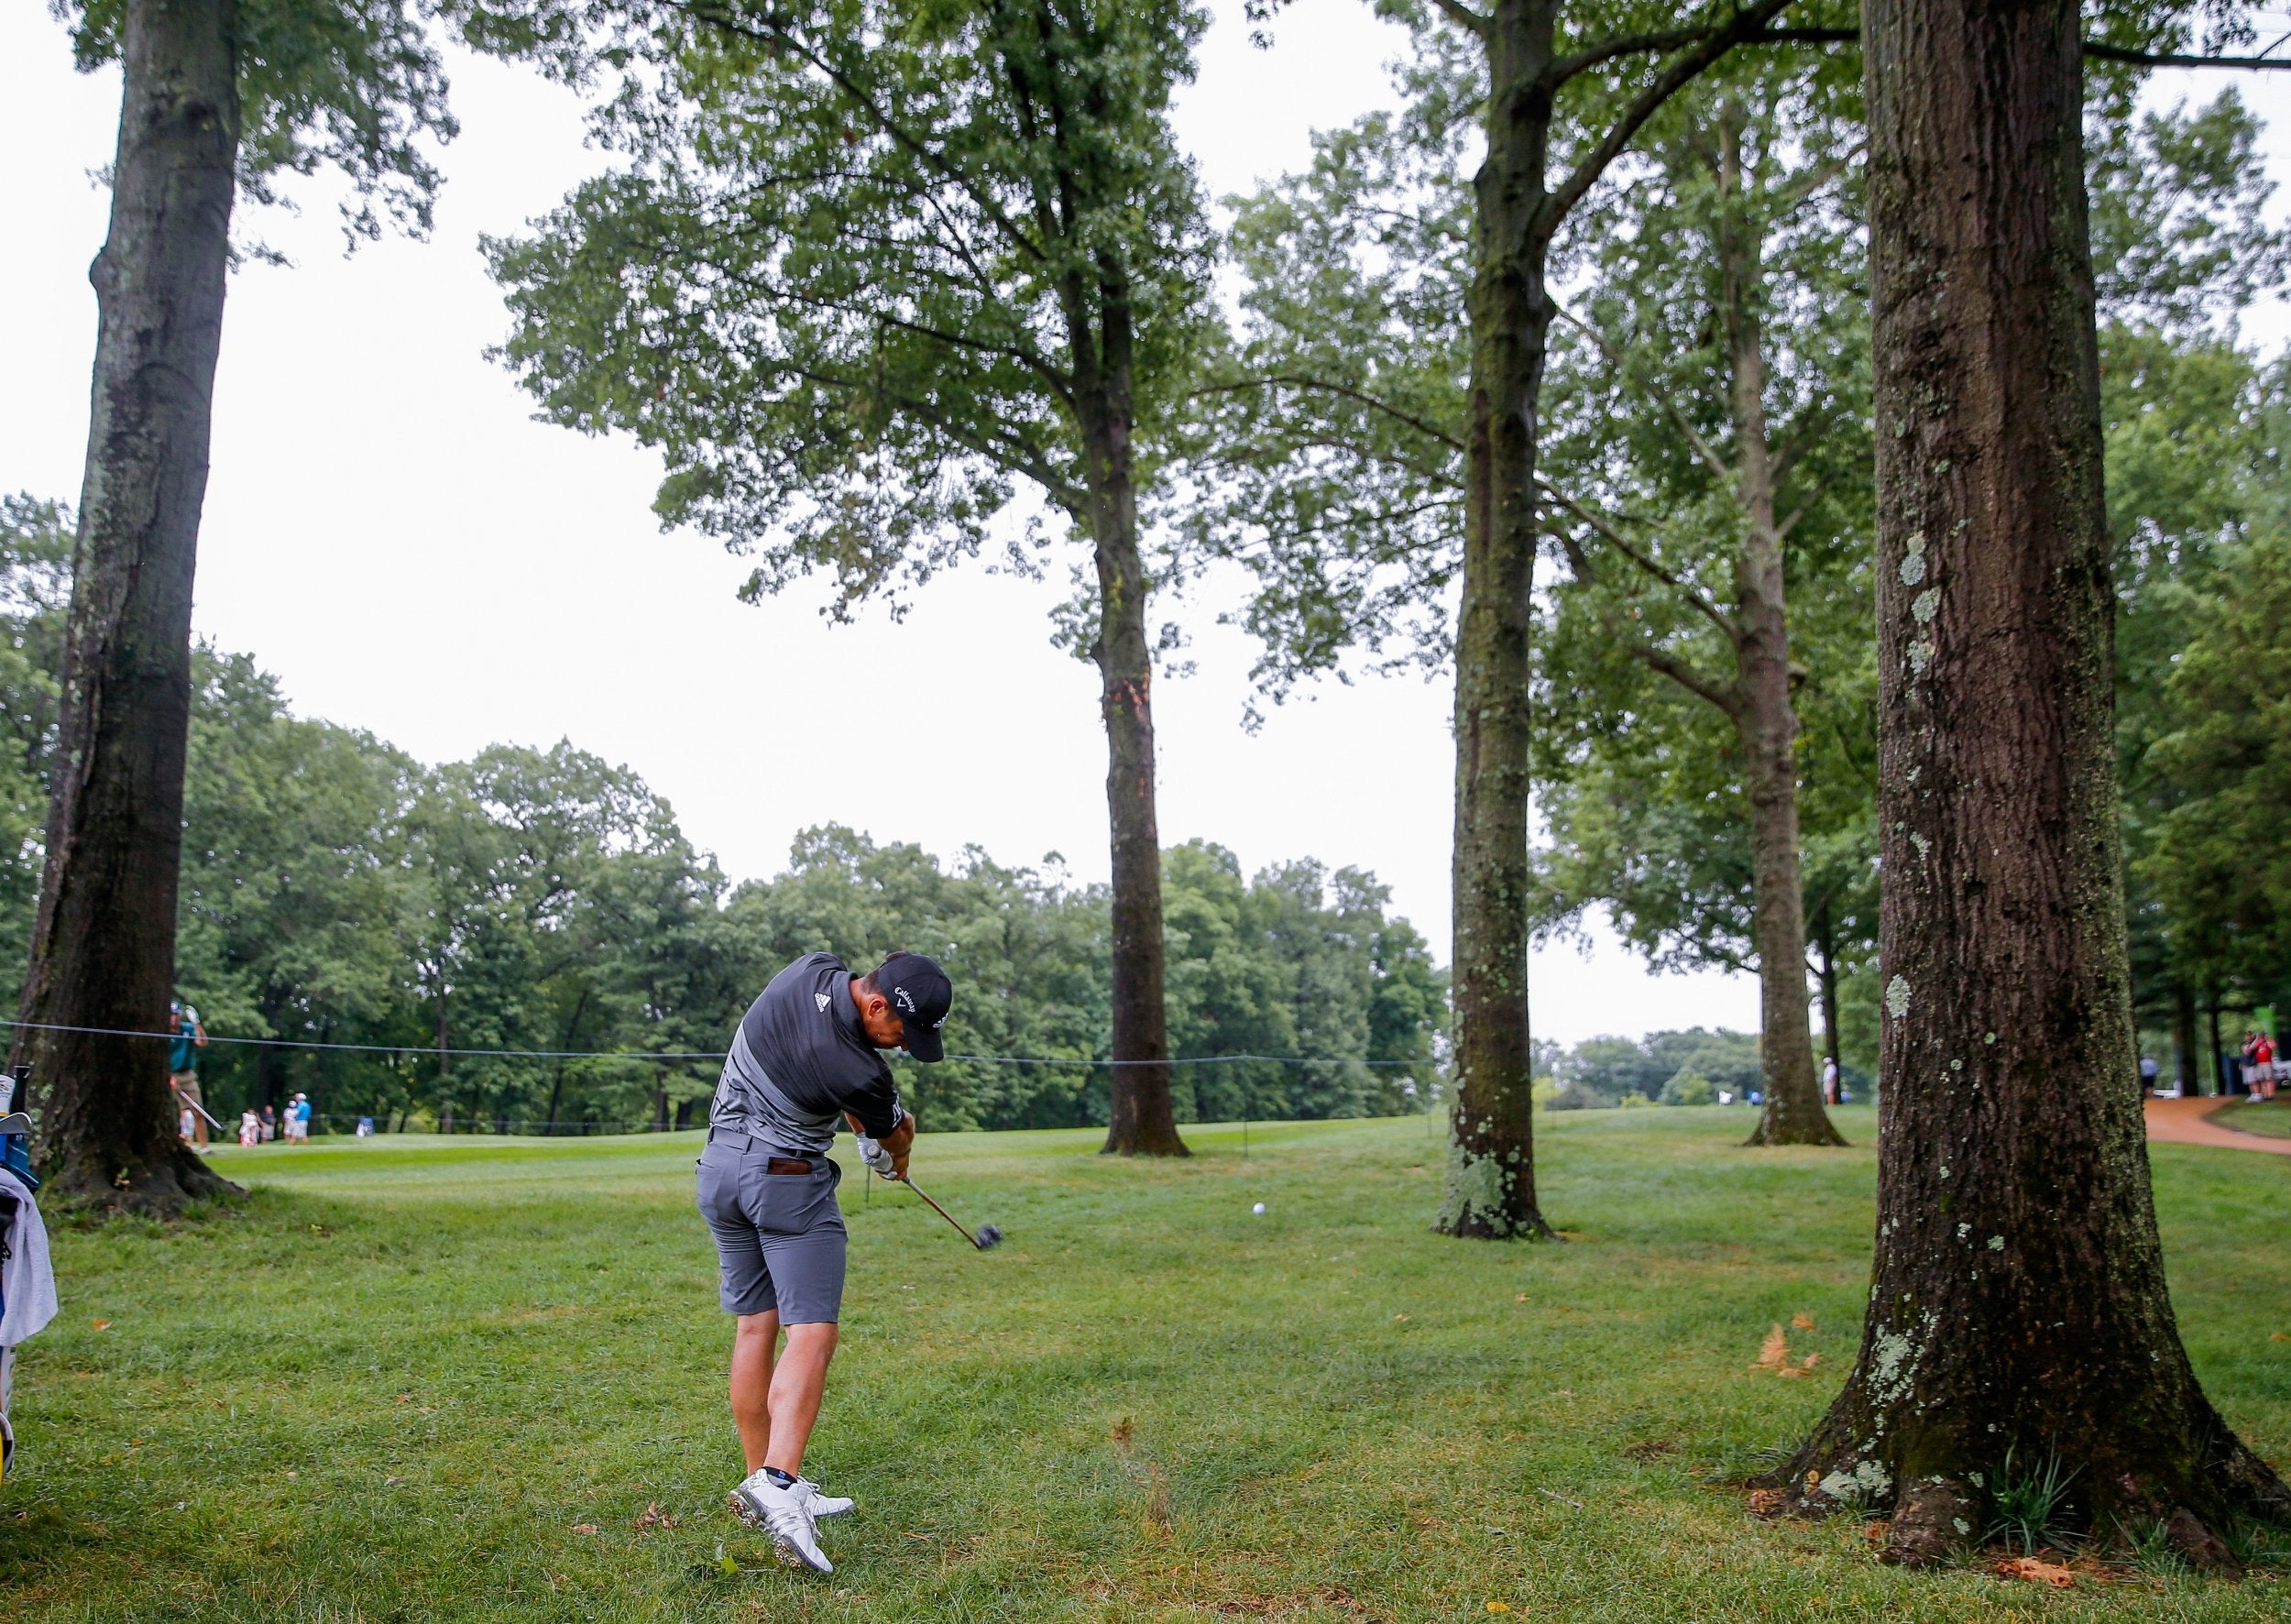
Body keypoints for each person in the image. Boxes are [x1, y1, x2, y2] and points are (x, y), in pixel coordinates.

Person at [699, 949, 951, 1575]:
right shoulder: (861, 1074)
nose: (900, 1047)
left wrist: (869, 1128)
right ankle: (781, 1489)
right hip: (784, 1184)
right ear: (875, 1004)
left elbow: (817, 1054)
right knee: (812, 1333)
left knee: (755, 1325)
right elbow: (894, 1134)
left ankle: (759, 1480)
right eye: (902, 1032)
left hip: (718, 1172)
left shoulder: (810, 968)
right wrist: (897, 1153)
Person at [167, 1001, 209, 1151]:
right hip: (168, 1075)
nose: (173, 1018)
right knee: (167, 1112)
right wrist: (169, 1076)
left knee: (198, 1111)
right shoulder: (161, 1031)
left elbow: (202, 1042)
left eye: (176, 1015)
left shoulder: (187, 1028)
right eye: (171, 1015)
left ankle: (204, 1147)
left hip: (187, 1075)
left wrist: (196, 1023)